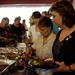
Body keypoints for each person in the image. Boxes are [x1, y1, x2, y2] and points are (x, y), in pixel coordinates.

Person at [50, 1, 75, 75]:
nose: (52, 20)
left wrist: (68, 68)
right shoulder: (60, 32)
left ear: (64, 15)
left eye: (54, 16)